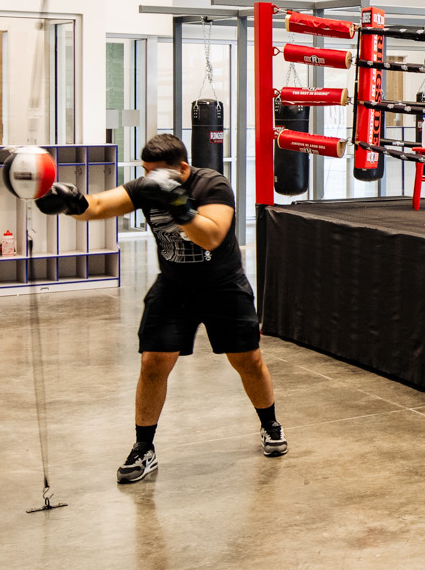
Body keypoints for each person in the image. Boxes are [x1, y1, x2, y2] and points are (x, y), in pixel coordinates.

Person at [35, 133, 287, 482]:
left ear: (183, 167)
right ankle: (144, 447)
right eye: (146, 172)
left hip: (223, 287)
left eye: (159, 174)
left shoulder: (213, 185)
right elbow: (99, 206)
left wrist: (179, 205)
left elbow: (211, 236)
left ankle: (269, 423)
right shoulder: (146, 185)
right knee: (153, 363)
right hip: (175, 287)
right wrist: (73, 205)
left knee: (248, 361)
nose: (152, 180)